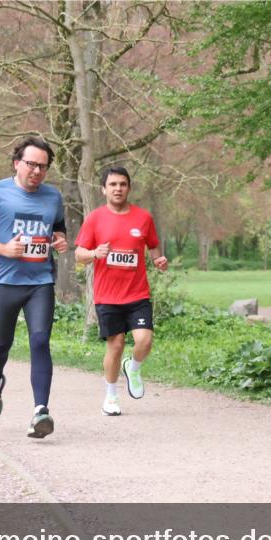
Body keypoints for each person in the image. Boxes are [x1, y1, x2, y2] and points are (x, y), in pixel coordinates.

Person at [0, 136, 68, 438]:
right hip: (5, 281)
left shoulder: (52, 197)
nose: (37, 171)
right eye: (31, 164)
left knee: (39, 341)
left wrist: (59, 239)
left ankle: (41, 412)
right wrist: (2, 249)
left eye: (43, 167)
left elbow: (58, 227)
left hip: (40, 281)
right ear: (17, 163)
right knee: (1, 345)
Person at [74, 166, 167, 416]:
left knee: (144, 340)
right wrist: (94, 254)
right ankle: (111, 397)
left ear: (128, 188)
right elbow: (79, 254)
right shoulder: (95, 218)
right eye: (113, 184)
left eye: (122, 184)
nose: (118, 189)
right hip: (107, 296)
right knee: (115, 345)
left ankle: (133, 368)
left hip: (137, 294)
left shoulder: (143, 218)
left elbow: (154, 247)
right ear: (104, 189)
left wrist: (158, 260)